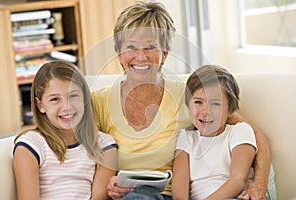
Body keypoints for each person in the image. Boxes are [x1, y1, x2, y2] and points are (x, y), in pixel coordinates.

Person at [91, 1, 271, 200]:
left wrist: (259, 185)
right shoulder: (98, 101)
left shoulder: (189, 96)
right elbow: (86, 164)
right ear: (118, 52)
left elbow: (256, 136)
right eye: (131, 47)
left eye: (150, 47)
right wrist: (111, 188)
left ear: (165, 53)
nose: (141, 57)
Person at [13, 60, 117, 200]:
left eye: (73, 96)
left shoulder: (105, 145)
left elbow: (99, 197)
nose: (66, 107)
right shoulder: (31, 145)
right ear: (40, 105)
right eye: (55, 99)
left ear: (85, 98)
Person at [172, 65, 257, 200]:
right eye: (198, 102)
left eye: (216, 103)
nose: (206, 111)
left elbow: (238, 180)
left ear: (231, 110)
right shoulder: (186, 137)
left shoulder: (240, 131)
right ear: (188, 107)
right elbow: (179, 181)